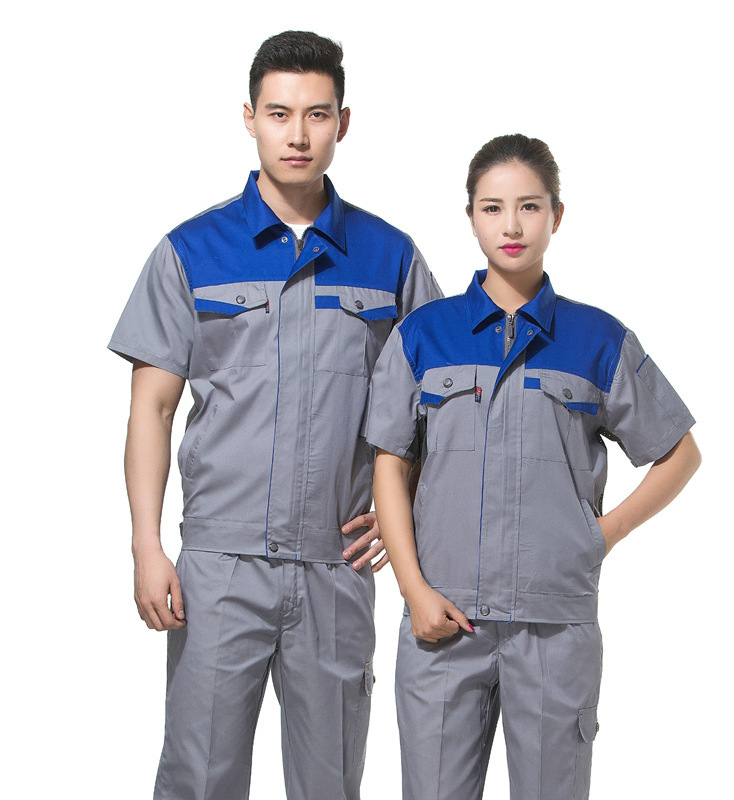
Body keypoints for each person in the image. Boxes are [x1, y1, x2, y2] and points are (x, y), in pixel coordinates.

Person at [109, 30, 440, 800]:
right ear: (250, 118)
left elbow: (437, 405)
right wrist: (146, 546)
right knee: (199, 778)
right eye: (280, 113)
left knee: (329, 783)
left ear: (342, 123)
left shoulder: (390, 258)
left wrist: (406, 509)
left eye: (317, 114)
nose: (298, 134)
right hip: (218, 566)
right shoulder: (190, 251)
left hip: (337, 562)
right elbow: (152, 408)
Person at [366, 134, 701, 800]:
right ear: (470, 217)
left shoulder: (598, 338)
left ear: (557, 215)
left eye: (529, 206)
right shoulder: (423, 335)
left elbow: (679, 453)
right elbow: (390, 466)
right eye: (492, 208)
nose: (511, 226)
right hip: (443, 621)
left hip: (554, 626)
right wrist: (413, 590)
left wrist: (601, 535)